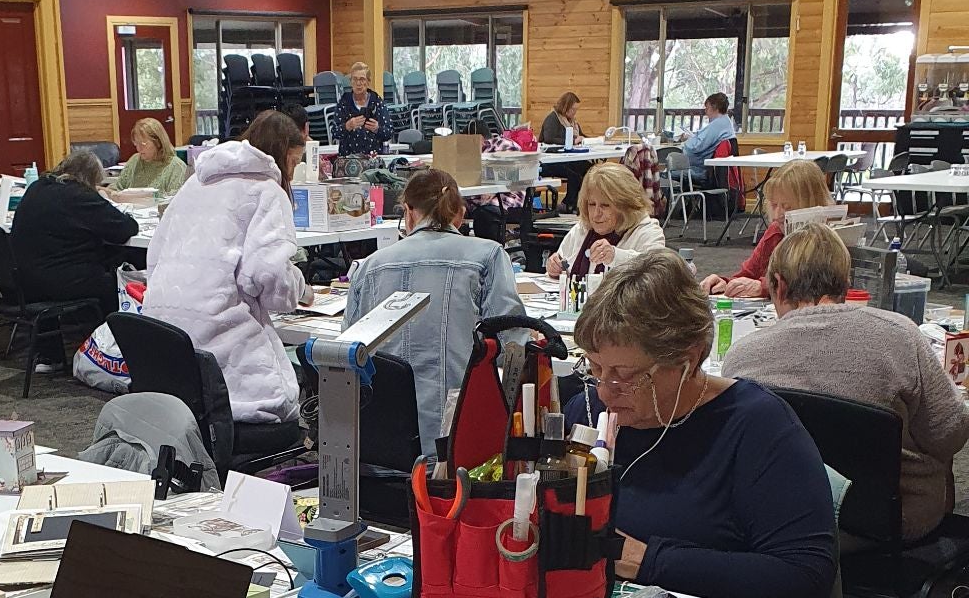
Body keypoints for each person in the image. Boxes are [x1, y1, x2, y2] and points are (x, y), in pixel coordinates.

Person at [563, 250, 837, 598]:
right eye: (595, 367)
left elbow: (805, 577)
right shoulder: (593, 411)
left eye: (625, 375)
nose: (604, 390)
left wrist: (648, 561)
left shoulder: (758, 428)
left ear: (687, 360)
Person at [725, 223, 969, 542]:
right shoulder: (900, 336)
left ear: (779, 286)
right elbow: (948, 435)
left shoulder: (741, 357)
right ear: (847, 285)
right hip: (893, 520)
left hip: (780, 519)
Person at [143, 110, 312, 434]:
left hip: (166, 349)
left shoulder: (196, 182)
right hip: (227, 370)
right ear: (280, 155)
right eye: (294, 162)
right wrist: (300, 288)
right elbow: (268, 276)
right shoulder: (266, 191)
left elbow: (155, 257)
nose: (293, 171)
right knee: (289, 406)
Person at [345, 166, 526, 455]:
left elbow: (348, 354)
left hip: (381, 443)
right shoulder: (487, 257)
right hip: (456, 442)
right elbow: (513, 347)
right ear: (460, 213)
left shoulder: (369, 267)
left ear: (408, 211)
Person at [9, 148, 138, 327]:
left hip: (22, 279)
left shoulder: (38, 187)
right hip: (56, 281)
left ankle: (59, 346)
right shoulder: (79, 195)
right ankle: (112, 339)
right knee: (118, 279)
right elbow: (125, 229)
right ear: (90, 178)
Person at [700, 159, 832, 299]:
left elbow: (810, 285)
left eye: (788, 207)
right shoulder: (775, 231)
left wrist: (763, 287)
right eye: (774, 205)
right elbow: (748, 274)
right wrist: (725, 284)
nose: (777, 215)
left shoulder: (827, 239)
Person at [546, 164, 665, 280]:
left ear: (626, 206)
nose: (596, 214)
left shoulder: (648, 231)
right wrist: (555, 268)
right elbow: (565, 264)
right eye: (591, 204)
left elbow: (656, 274)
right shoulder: (582, 228)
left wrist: (615, 256)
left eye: (605, 205)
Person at [114, 118, 189, 199]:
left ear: (158, 143)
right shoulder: (135, 160)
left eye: (143, 144)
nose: (139, 149)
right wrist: (107, 192)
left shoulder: (176, 167)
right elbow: (118, 187)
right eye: (136, 144)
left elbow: (174, 199)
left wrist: (145, 197)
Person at [681, 92, 737, 184]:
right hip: (713, 170)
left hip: (704, 171)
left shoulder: (717, 124)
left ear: (715, 107)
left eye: (707, 107)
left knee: (666, 173)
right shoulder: (725, 122)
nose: (705, 111)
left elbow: (696, 147)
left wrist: (687, 140)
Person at [335, 63, 386, 155]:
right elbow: (334, 132)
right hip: (348, 159)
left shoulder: (377, 102)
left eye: (362, 79)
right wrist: (347, 126)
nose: (358, 83)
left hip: (373, 159)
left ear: (368, 82)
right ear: (351, 81)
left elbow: (389, 132)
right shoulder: (344, 102)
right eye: (355, 79)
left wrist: (377, 129)